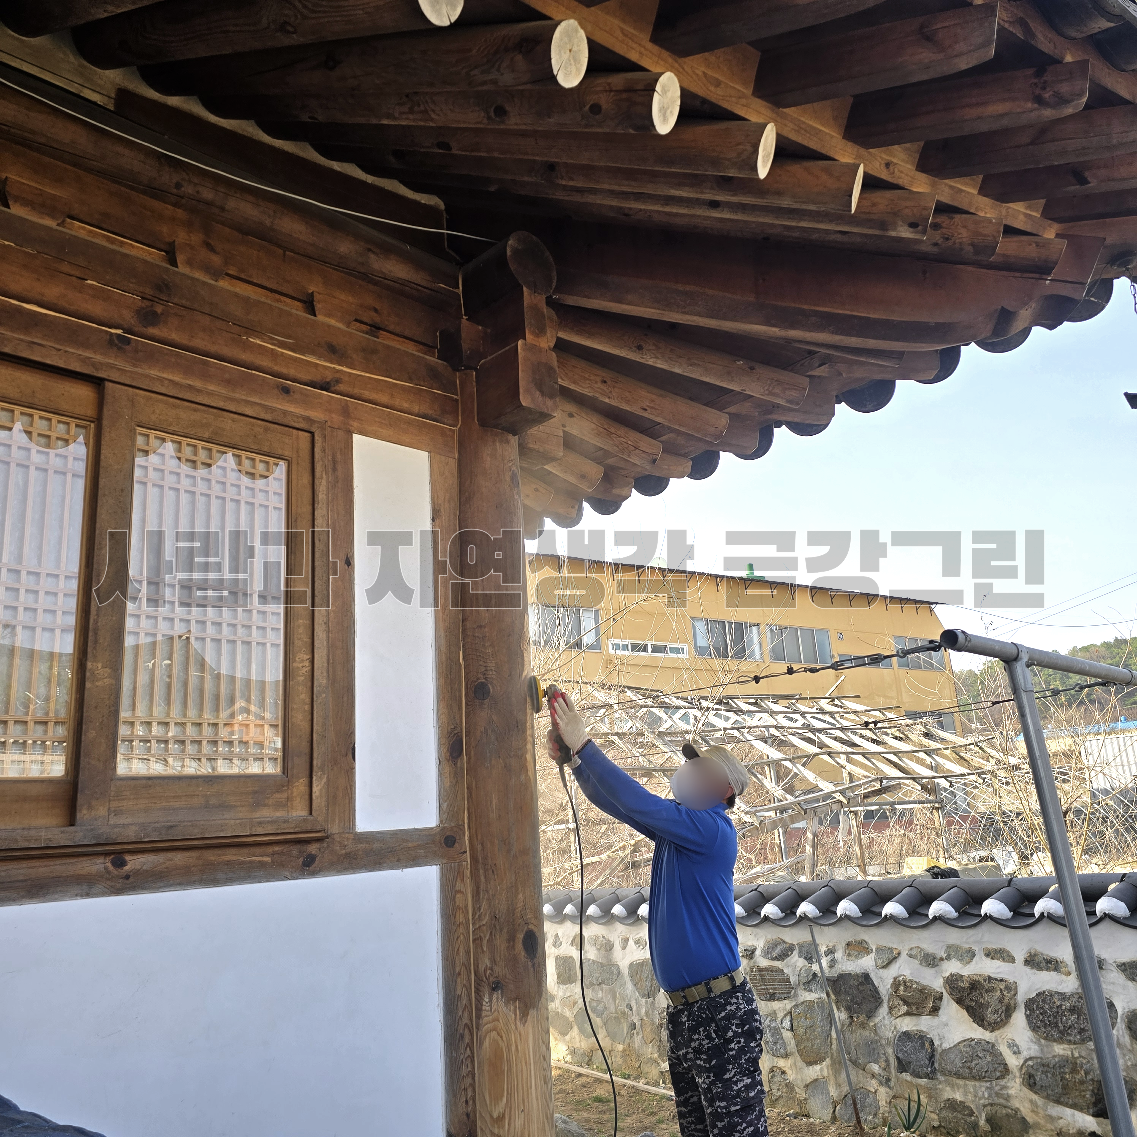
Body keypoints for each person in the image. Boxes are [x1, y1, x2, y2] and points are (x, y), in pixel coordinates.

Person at [548, 689, 768, 1137]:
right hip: (687, 1013)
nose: (688, 773)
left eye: (700, 769)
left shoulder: (711, 830)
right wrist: (576, 762)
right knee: (697, 1129)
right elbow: (616, 802)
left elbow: (638, 801)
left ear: (724, 790)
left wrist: (584, 744)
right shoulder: (677, 831)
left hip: (719, 1012)